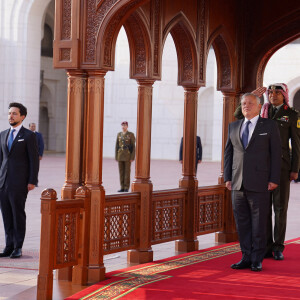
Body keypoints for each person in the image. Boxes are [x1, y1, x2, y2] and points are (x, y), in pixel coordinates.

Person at [224, 93, 281, 272]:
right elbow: (228, 154)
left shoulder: (269, 125)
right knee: (242, 223)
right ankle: (246, 256)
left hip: (261, 182)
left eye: (250, 103)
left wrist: (274, 179)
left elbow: (276, 155)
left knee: (258, 223)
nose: (246, 106)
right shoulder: (233, 126)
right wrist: (227, 177)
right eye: (243, 103)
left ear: (259, 106)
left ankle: (257, 258)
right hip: (237, 183)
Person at [260, 83, 300, 260]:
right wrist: (253, 95)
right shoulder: (262, 112)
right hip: (262, 168)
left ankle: (278, 247)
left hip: (282, 167)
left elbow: (297, 145)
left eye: (277, 93)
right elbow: (239, 115)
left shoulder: (291, 115)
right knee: (264, 208)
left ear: (284, 95)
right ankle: (267, 246)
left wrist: (295, 169)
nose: (272, 95)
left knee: (280, 207)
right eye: (270, 93)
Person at [0, 102, 39, 259]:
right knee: (6, 215)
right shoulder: (2, 135)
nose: (11, 116)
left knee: (17, 214)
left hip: (19, 183)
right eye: (10, 113)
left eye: (14, 113)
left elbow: (33, 160)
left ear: (22, 117)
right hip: (3, 183)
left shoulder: (29, 136)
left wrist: (32, 181)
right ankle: (8, 246)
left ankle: (18, 247)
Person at [115, 121, 135, 192]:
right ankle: (122, 187)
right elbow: (117, 146)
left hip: (127, 155)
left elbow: (133, 146)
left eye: (125, 125)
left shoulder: (130, 134)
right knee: (121, 172)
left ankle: (126, 187)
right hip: (120, 155)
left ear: (127, 126)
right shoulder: (119, 134)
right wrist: (116, 156)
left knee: (127, 172)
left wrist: (132, 157)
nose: (123, 127)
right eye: (122, 125)